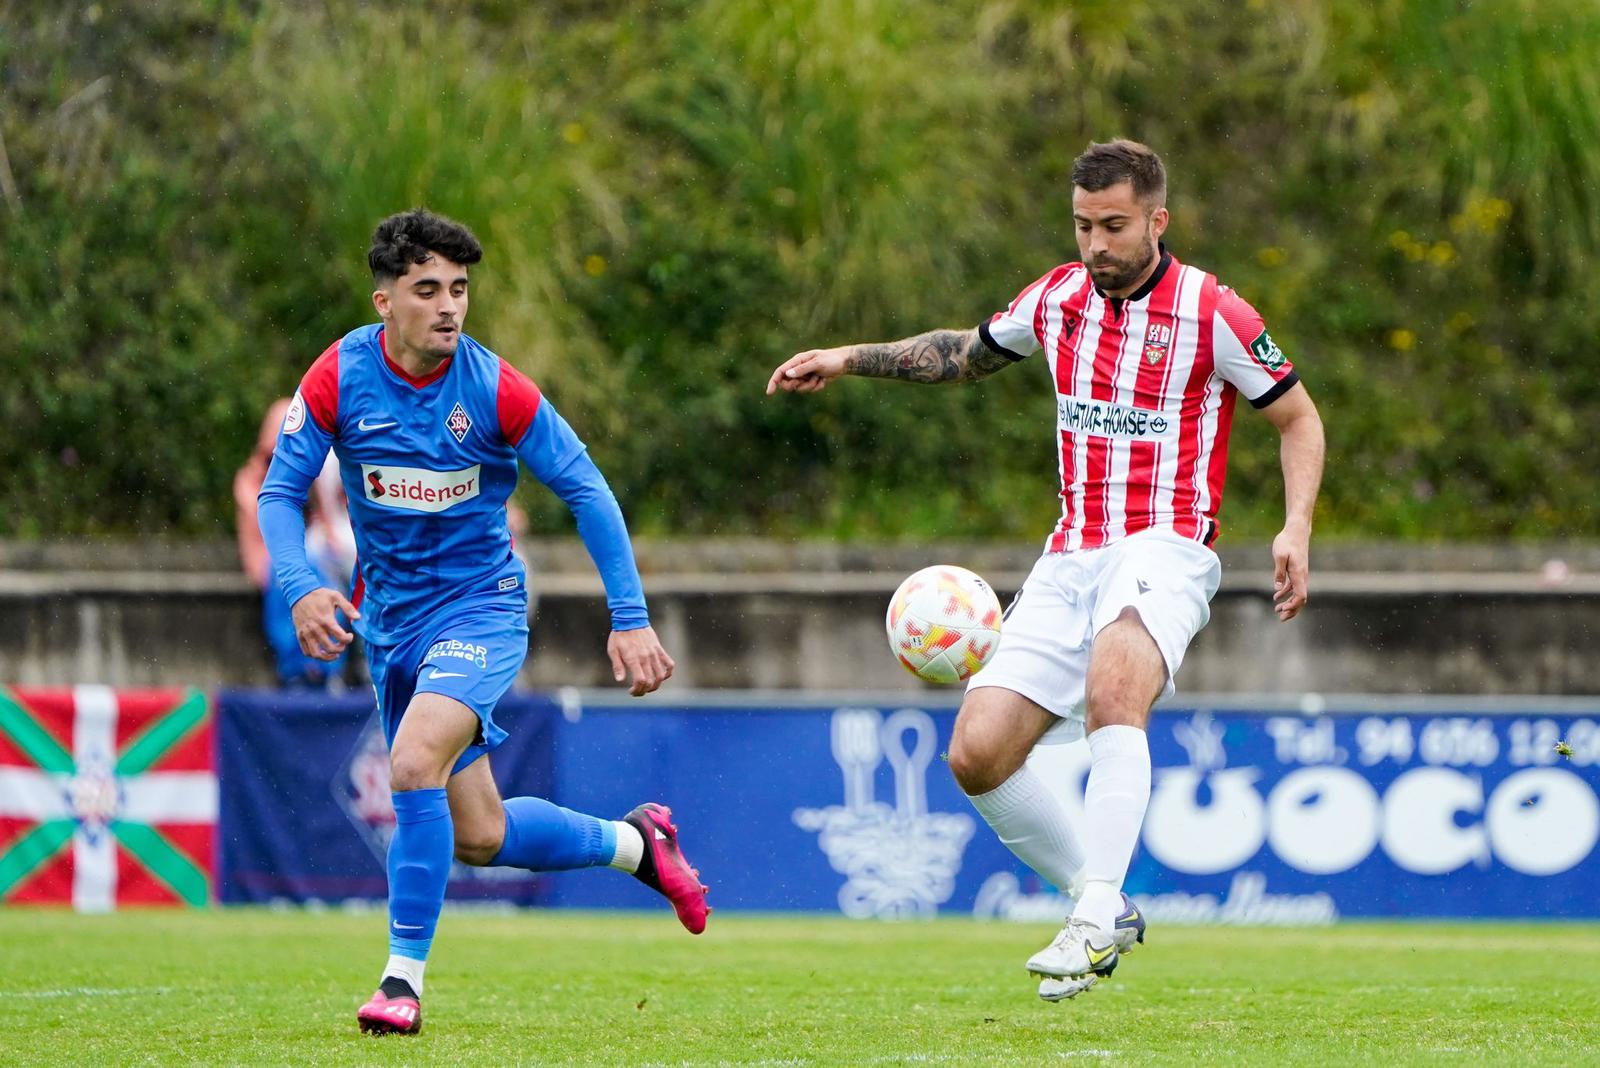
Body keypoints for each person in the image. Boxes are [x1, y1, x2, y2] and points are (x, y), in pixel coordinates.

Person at [767, 140, 1324, 1001]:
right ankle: (1100, 901)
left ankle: (1095, 913)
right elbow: (960, 352)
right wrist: (846, 358)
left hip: (1166, 545)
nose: (1096, 245)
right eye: (1082, 225)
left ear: (1156, 221)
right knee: (977, 752)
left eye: (1114, 226)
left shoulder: (1213, 312)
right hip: (1070, 556)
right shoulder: (1058, 297)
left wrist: (1294, 526)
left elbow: (1298, 418)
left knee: (1115, 686)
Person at [258, 208, 706, 1036]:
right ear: (384, 301)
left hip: (482, 608)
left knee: (414, 758)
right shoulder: (339, 375)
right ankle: (638, 845)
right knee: (479, 832)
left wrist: (631, 617)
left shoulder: (494, 387)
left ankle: (401, 983)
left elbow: (587, 491)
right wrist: (299, 585)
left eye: (459, 289)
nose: (449, 307)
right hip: (390, 623)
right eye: (427, 290)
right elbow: (279, 492)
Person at [234, 398, 353, 688]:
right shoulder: (251, 483)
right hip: (272, 564)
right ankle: (302, 669)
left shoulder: (304, 479)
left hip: (303, 559)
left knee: (322, 576)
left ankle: (327, 667)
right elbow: (265, 525)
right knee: (298, 579)